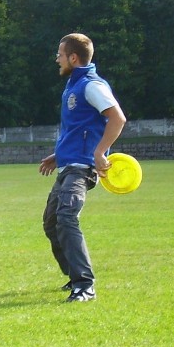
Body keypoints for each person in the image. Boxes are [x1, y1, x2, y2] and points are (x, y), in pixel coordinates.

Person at [39, 33, 126, 302]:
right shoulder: (73, 85)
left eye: (60, 54)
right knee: (51, 223)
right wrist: (59, 154)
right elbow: (79, 128)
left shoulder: (91, 85)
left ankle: (84, 285)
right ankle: (73, 276)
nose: (57, 59)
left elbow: (117, 118)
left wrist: (100, 152)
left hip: (81, 169)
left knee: (66, 218)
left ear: (73, 58)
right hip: (68, 164)